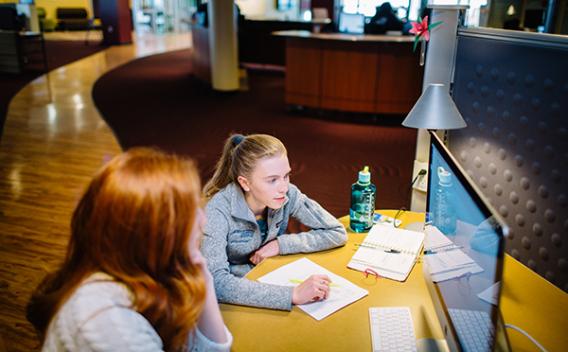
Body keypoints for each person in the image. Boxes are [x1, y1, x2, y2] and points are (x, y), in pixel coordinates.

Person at [27, 148, 232, 352]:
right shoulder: (106, 321)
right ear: (156, 231)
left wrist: (205, 278)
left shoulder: (149, 273)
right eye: (191, 211)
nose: (203, 221)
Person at [202, 134, 347, 311]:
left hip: (268, 276)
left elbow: (336, 232)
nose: (284, 188)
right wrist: (292, 294)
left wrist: (280, 244)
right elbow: (215, 282)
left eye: (286, 176)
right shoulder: (217, 210)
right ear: (245, 183)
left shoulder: (287, 194)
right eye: (272, 180)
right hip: (232, 298)